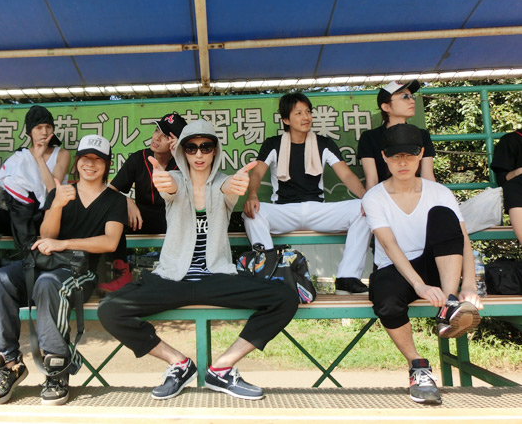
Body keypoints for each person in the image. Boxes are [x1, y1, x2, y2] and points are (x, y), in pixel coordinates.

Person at [98, 120, 297, 401]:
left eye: (206, 146)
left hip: (215, 278)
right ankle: (178, 363)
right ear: (182, 151)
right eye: (191, 148)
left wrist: (237, 186)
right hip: (172, 279)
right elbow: (170, 189)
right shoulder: (173, 180)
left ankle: (222, 368)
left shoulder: (225, 182)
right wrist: (164, 184)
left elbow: (227, 188)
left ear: (215, 150)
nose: (199, 154)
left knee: (285, 297)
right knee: (109, 310)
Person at [0, 135, 127, 406]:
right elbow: (47, 234)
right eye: (85, 158)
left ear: (107, 165)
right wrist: (56, 204)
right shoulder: (60, 192)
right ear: (77, 161)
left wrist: (65, 243)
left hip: (82, 270)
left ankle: (57, 368)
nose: (90, 164)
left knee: (49, 283)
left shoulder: (115, 200)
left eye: (98, 160)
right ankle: (6, 365)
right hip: (45, 263)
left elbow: (110, 241)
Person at [362, 123, 482, 405]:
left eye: (409, 154)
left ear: (421, 155)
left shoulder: (439, 192)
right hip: (398, 269)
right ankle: (418, 366)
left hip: (439, 267)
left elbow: (461, 239)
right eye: (395, 156)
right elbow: (389, 245)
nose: (403, 162)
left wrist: (469, 284)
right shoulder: (374, 197)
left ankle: (449, 305)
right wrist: (419, 285)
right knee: (385, 299)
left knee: (442, 215)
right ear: (384, 157)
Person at [242, 92, 370, 295]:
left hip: (317, 210)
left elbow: (346, 175)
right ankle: (269, 273)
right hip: (284, 211)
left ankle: (347, 277)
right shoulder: (273, 144)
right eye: (299, 113)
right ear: (286, 120)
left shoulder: (324, 143)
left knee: (364, 210)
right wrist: (252, 196)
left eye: (308, 112)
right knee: (251, 213)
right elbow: (257, 173)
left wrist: (366, 197)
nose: (306, 117)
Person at [0, 105, 71, 300]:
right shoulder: (19, 157)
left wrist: (40, 159)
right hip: (20, 216)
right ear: (29, 131)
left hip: (48, 216)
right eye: (38, 128)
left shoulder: (61, 154)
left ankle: (27, 277)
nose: (44, 132)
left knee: (26, 211)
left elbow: (52, 191)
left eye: (48, 127)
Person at [102, 112, 186, 294]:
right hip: (141, 219)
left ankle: (183, 274)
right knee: (114, 210)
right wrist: (127, 201)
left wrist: (181, 157)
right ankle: (121, 273)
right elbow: (109, 192)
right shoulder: (139, 158)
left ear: (176, 142)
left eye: (165, 136)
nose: (156, 137)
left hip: (173, 220)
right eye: (156, 130)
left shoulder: (184, 163)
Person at [357, 80, 436, 190]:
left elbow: (427, 176)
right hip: (384, 197)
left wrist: (432, 198)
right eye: (405, 97)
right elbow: (372, 181)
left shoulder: (422, 135)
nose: (412, 101)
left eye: (412, 97)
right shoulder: (369, 138)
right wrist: (372, 200)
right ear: (386, 107)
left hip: (417, 196)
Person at [491, 129, 522, 244]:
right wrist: (518, 172)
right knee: (512, 187)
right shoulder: (511, 140)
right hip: (517, 187)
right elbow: (502, 179)